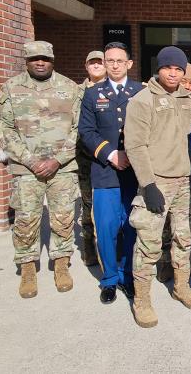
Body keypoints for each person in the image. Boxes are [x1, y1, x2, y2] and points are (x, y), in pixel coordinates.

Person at [0, 41, 81, 298]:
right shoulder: (11, 88)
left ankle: (61, 263)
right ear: (26, 61)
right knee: (26, 220)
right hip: (26, 169)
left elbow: (79, 129)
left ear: (52, 60)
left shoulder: (69, 88)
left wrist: (58, 159)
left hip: (62, 169)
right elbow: (5, 129)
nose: (40, 63)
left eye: (45, 58)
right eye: (34, 59)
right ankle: (28, 267)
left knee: (63, 218)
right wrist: (30, 161)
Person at [125, 46, 191, 328]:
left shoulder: (187, 98)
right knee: (149, 244)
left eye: (178, 69)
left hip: (186, 182)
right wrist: (148, 184)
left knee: (184, 238)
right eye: (168, 67)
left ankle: (181, 286)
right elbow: (135, 145)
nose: (173, 73)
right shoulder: (142, 100)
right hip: (158, 182)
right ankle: (142, 300)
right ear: (158, 69)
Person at [79, 42, 144, 304]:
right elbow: (86, 131)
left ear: (129, 63)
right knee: (106, 228)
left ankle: (127, 276)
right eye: (110, 61)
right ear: (104, 63)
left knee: (131, 226)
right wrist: (111, 154)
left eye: (120, 60)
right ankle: (109, 279)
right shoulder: (92, 94)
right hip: (105, 171)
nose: (114, 65)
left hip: (134, 173)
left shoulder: (141, 92)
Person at [157, 63, 191, 282]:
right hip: (167, 171)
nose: (186, 85)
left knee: (190, 221)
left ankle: (190, 259)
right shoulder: (160, 99)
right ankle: (166, 262)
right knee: (166, 222)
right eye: (184, 80)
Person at [77, 50, 106, 266]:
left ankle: (112, 245)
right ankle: (89, 246)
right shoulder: (75, 92)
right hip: (84, 156)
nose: (96, 66)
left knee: (108, 204)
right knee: (87, 203)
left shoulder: (114, 89)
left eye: (100, 62)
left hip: (107, 156)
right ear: (86, 66)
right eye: (92, 63)